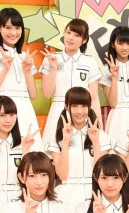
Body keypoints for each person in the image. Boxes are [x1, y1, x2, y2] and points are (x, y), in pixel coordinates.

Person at [0, 8, 40, 138]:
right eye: (8, 27)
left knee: (28, 149)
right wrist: (5, 69)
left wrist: (27, 71)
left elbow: (33, 95)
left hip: (25, 111)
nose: (13, 33)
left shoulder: (25, 56)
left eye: (17, 28)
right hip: (2, 111)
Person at [41, 18, 102, 147]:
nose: (70, 38)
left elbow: (94, 98)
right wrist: (53, 68)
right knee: (54, 150)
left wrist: (98, 123)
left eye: (76, 35)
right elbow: (46, 94)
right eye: (68, 33)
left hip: (82, 112)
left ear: (84, 40)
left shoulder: (89, 62)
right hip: (58, 110)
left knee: (82, 152)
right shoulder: (51, 59)